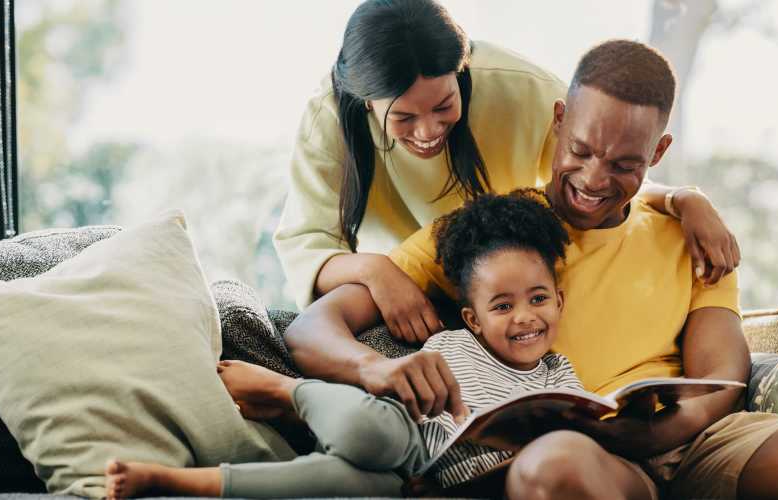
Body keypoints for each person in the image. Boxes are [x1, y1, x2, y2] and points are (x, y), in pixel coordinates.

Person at [285, 39, 778, 499]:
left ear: (657, 153)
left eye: (625, 163)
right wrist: (370, 368)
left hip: (696, 442)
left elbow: (721, 374)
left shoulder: (691, 236)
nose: (595, 179)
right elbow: (310, 329)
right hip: (587, 461)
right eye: (579, 150)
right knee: (552, 466)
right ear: (559, 121)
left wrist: (664, 428)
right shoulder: (487, 231)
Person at [273, 0, 741, 345]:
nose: (428, 132)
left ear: (463, 69)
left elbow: (600, 176)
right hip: (407, 283)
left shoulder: (523, 90)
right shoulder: (330, 118)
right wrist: (377, 271)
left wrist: (683, 199)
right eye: (404, 119)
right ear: (365, 103)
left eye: (444, 106)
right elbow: (307, 244)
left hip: (505, 290)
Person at [104, 190, 613, 498]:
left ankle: (170, 482)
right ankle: (290, 393)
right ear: (472, 319)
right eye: (502, 306)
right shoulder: (451, 346)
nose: (525, 318)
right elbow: (390, 404)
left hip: (419, 483)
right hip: (403, 441)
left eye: (539, 299)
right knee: (374, 435)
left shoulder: (559, 376)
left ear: (560, 303)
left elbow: (566, 452)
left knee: (333, 484)